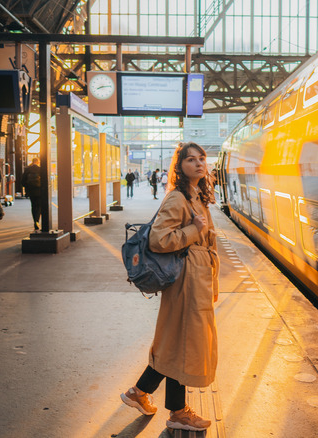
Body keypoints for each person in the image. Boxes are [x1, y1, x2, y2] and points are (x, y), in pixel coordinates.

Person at [120, 142, 220, 432]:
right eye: (191, 159)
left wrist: (213, 282)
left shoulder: (196, 196)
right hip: (186, 282)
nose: (199, 163)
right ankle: (178, 411)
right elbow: (158, 240)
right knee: (182, 345)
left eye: (202, 158)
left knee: (177, 343)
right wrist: (193, 231)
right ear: (180, 166)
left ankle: (139, 393)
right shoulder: (177, 199)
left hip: (197, 280)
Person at [21, 157, 43, 230]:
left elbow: (23, 181)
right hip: (39, 190)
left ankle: (35, 221)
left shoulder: (27, 169)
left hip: (31, 191)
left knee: (33, 206)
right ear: (38, 162)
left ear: (32, 162)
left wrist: (27, 187)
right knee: (39, 205)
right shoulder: (40, 169)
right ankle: (37, 220)